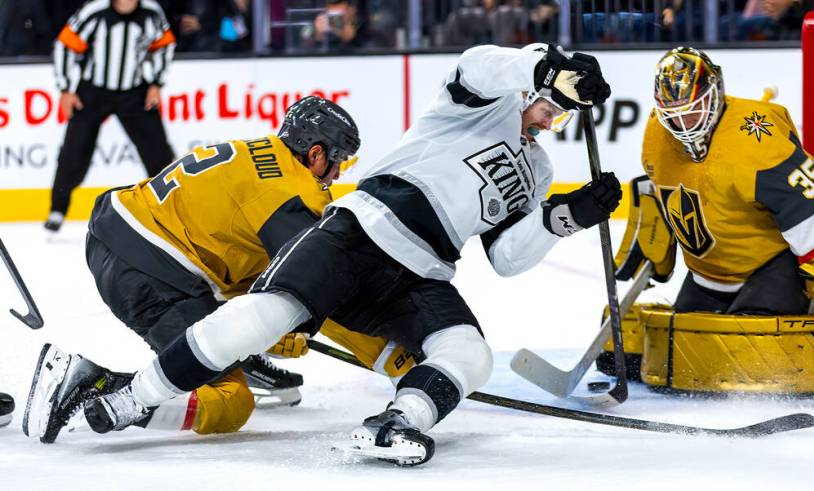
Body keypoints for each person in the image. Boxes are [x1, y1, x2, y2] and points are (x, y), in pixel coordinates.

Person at [28, 42, 616, 466]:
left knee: (469, 352)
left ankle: (400, 421)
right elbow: (474, 65)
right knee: (269, 323)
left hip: (424, 267)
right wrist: (546, 63)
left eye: (564, 111)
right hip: (362, 225)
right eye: (549, 99)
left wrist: (567, 217)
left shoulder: (539, 167)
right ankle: (132, 396)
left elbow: (508, 257)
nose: (555, 115)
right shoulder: (475, 104)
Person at [22, 96, 362, 444]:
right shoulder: (292, 193)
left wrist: (256, 335)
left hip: (116, 229)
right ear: (316, 154)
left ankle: (238, 357)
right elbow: (322, 286)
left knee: (249, 295)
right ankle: (94, 387)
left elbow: (246, 273)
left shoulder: (257, 152)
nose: (337, 174)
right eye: (338, 162)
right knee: (232, 403)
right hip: (150, 271)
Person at [614, 47, 814, 349]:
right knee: (686, 347)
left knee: (749, 350)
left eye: (693, 109)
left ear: (714, 94)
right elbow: (665, 189)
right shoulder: (656, 134)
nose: (684, 124)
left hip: (773, 267)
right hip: (708, 274)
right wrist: (653, 235)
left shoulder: (758, 141)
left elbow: (810, 212)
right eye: (673, 116)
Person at [45, 0, 176, 232]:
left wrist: (156, 83)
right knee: (74, 152)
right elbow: (65, 45)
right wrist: (65, 89)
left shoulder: (151, 13)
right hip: (93, 92)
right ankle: (58, 208)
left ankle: (174, 208)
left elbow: (164, 45)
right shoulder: (94, 11)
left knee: (158, 152)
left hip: (134, 92)